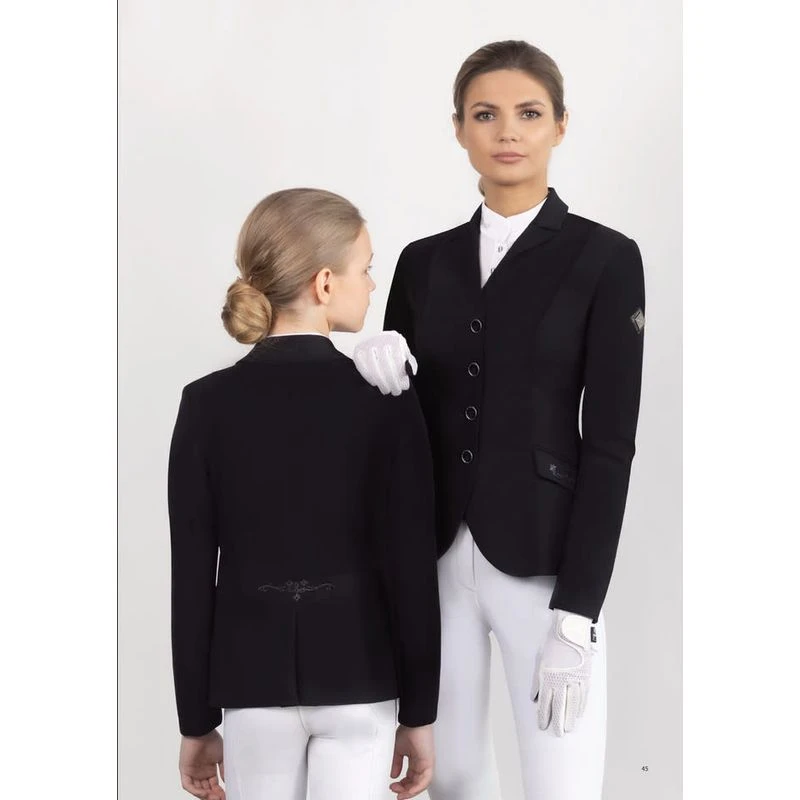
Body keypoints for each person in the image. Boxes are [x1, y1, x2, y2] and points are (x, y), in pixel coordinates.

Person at [353, 40, 646, 800]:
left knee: (562, 783)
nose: (507, 131)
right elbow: (399, 429)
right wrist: (365, 363)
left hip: (545, 566)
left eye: (529, 113)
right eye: (485, 114)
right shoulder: (423, 262)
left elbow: (610, 443)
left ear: (560, 125)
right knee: (451, 779)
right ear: (459, 129)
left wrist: (579, 612)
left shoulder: (606, 258)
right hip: (435, 561)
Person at [167, 188, 441, 800]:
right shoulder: (388, 402)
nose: (373, 284)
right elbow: (412, 567)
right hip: (361, 678)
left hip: (250, 683)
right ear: (324, 283)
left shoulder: (204, 405)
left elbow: (192, 575)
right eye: (366, 268)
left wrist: (196, 722)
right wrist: (420, 713)